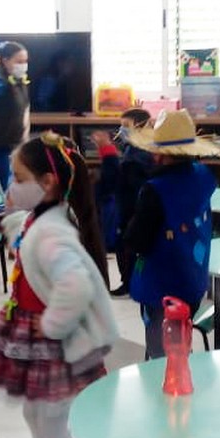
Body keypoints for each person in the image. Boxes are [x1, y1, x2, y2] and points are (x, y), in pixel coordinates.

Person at [0, 133, 118, 438]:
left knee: (53, 424)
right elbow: (30, 241)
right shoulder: (41, 220)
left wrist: (53, 323)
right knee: (35, 414)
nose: (11, 184)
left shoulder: (52, 233)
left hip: (54, 345)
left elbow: (76, 285)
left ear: (48, 182)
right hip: (38, 338)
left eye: (18, 178)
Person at [124, 110, 220, 358]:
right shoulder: (203, 176)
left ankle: (168, 378)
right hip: (192, 279)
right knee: (180, 341)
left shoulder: (156, 190)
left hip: (161, 288)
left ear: (160, 153)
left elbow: (137, 240)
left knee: (162, 354)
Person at [92, 107, 154, 296]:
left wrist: (108, 153)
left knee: (126, 247)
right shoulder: (138, 148)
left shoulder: (138, 155)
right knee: (129, 247)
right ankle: (131, 281)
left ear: (140, 127)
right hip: (133, 206)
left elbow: (115, 179)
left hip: (131, 208)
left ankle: (129, 283)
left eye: (126, 125)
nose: (122, 130)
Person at [0, 40, 31, 190]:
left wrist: (25, 138)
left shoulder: (21, 82)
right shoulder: (0, 83)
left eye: (25, 61)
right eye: (19, 61)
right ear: (6, 61)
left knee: (14, 190)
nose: (23, 65)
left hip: (17, 146)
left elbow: (25, 110)